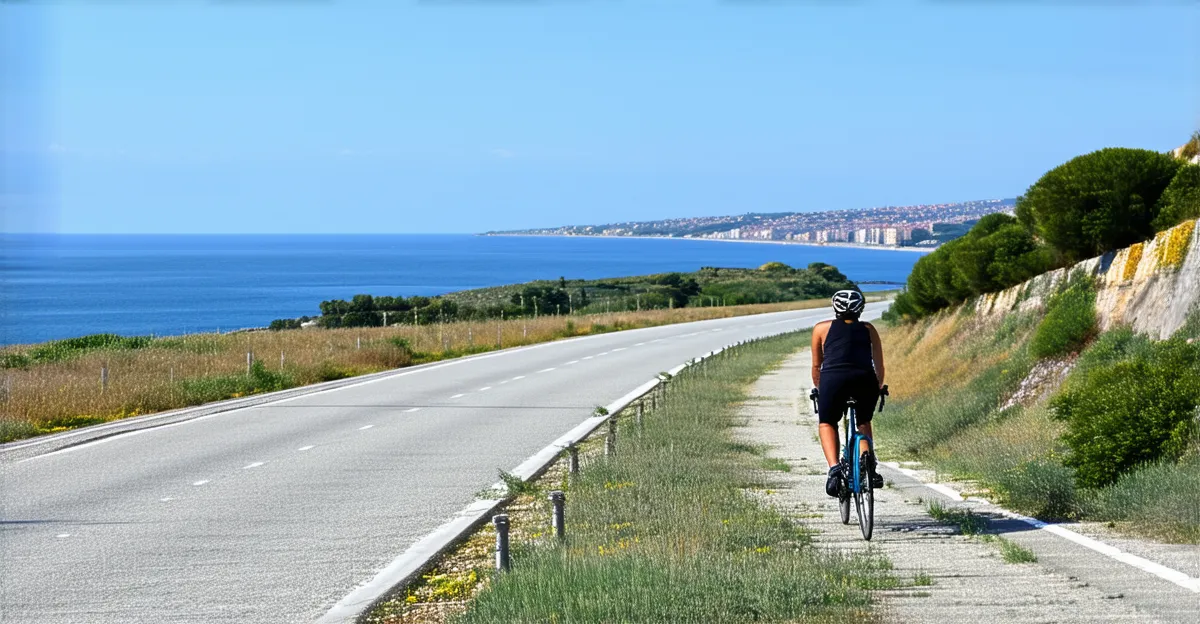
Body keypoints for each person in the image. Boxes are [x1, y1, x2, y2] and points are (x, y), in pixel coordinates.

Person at [811, 289, 885, 497]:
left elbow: (817, 367)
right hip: (864, 380)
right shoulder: (869, 329)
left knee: (827, 422)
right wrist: (877, 388)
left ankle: (835, 468)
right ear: (860, 309)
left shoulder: (821, 329)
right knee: (863, 422)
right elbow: (879, 366)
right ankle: (868, 465)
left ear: (835, 308)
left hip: (833, 380)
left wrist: (820, 389)